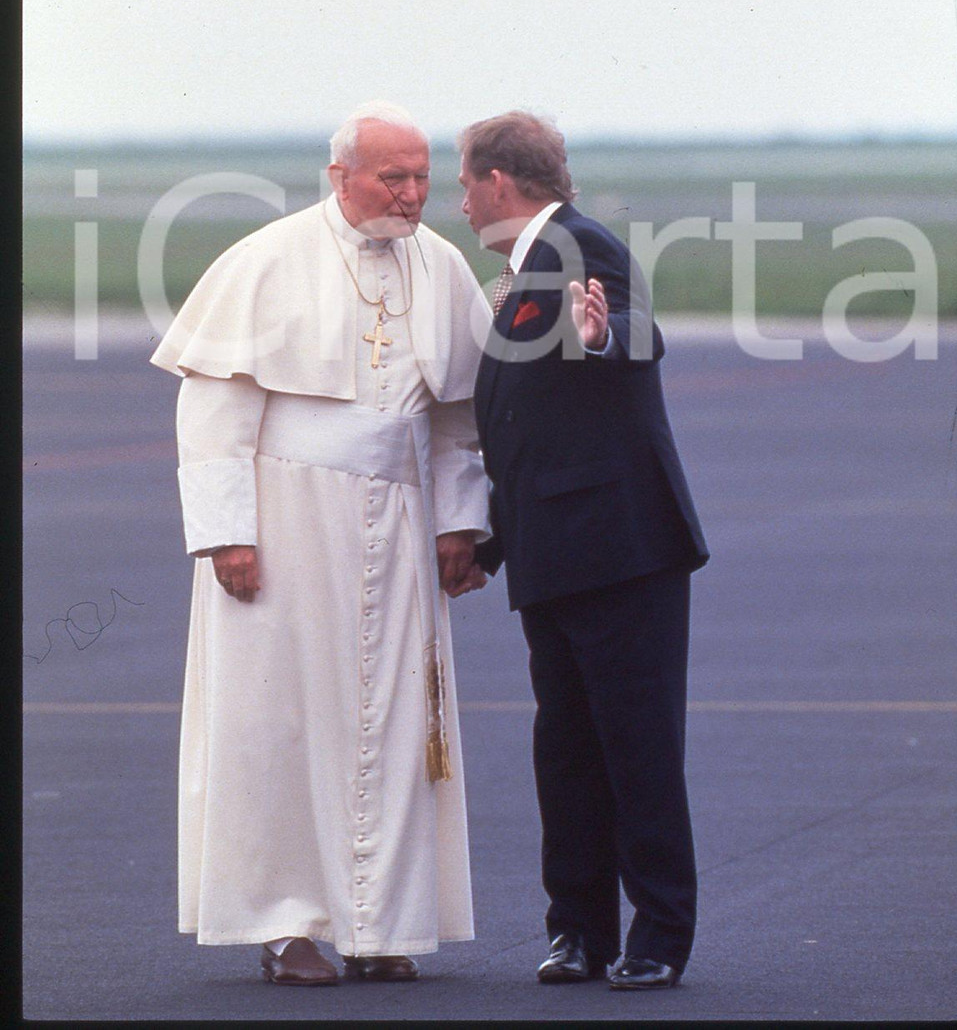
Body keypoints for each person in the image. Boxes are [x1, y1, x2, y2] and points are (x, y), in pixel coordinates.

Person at [151, 101, 491, 987]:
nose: (413, 194)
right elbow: (215, 412)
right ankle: (287, 925)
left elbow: (458, 419)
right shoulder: (266, 260)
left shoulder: (444, 265)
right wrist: (228, 533)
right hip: (288, 519)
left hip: (405, 522)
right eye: (394, 176)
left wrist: (463, 521)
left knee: (397, 718)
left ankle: (382, 923)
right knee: (281, 718)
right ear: (340, 176)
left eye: (421, 177)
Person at [458, 110, 709, 991]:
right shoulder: (530, 264)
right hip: (555, 552)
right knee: (565, 749)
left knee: (635, 746)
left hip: (620, 549)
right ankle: (578, 931)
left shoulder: (578, 245)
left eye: (462, 184)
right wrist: (490, 544)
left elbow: (639, 336)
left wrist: (601, 338)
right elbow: (525, 426)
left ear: (497, 181)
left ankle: (658, 936)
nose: (458, 202)